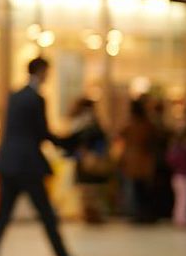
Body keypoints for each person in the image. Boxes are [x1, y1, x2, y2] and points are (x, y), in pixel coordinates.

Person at [0, 58, 95, 256]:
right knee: (48, 218)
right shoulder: (36, 99)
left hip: (9, 163)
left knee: (1, 219)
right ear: (41, 71)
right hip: (27, 167)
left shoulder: (15, 96)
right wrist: (70, 142)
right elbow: (42, 134)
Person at [67, 98, 112, 224]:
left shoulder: (85, 123)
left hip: (88, 160)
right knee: (89, 191)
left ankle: (92, 216)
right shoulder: (85, 123)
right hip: (86, 160)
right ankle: (90, 215)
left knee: (90, 191)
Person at [120, 95, 159, 224]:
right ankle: (144, 214)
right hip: (143, 160)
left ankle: (141, 214)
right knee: (143, 190)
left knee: (139, 190)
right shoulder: (146, 124)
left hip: (136, 160)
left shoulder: (133, 125)